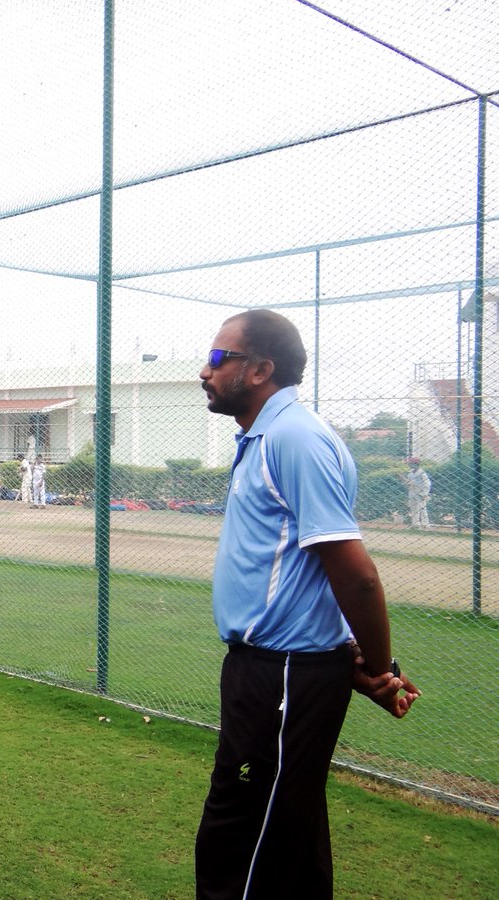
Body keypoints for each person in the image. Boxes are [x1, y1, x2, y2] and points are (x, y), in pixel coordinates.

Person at [194, 309, 419, 899]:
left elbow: (355, 574)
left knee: (237, 837)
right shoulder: (268, 436)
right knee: (290, 831)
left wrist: (379, 666)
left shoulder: (294, 438)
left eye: (219, 358)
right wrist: (355, 658)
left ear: (262, 369)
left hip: (282, 676)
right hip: (272, 671)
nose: (204, 370)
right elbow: (306, 573)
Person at [403, 457, 432, 530]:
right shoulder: (410, 473)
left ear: (415, 464)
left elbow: (427, 483)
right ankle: (415, 524)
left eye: (411, 463)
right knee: (413, 509)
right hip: (412, 492)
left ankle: (425, 525)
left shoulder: (421, 473)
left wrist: (424, 493)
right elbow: (410, 482)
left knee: (422, 508)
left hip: (420, 493)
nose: (409, 464)